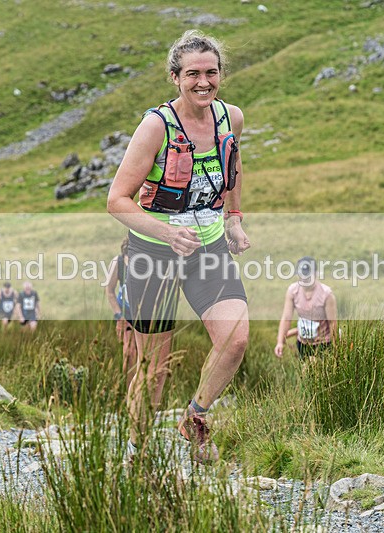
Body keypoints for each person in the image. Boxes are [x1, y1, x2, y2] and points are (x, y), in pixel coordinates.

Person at [107, 30, 250, 463]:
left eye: (211, 72)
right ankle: (136, 450)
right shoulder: (156, 126)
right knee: (155, 370)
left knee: (235, 340)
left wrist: (234, 218)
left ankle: (195, 417)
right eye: (193, 74)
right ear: (175, 77)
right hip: (154, 255)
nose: (203, 82)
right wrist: (167, 232)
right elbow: (117, 200)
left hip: (209, 250)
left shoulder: (231, 118)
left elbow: (233, 167)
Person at [274, 257, 338, 362]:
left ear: (315, 274)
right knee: (304, 370)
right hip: (302, 343)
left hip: (323, 343)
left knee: (313, 367)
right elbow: (286, 318)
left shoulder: (326, 294)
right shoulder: (292, 291)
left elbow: (332, 323)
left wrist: (335, 349)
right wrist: (280, 342)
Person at [105, 238, 138, 392]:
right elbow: (109, 291)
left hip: (145, 315)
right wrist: (119, 316)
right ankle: (129, 393)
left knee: (146, 356)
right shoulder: (117, 263)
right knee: (129, 353)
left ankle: (142, 392)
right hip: (126, 315)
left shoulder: (149, 262)